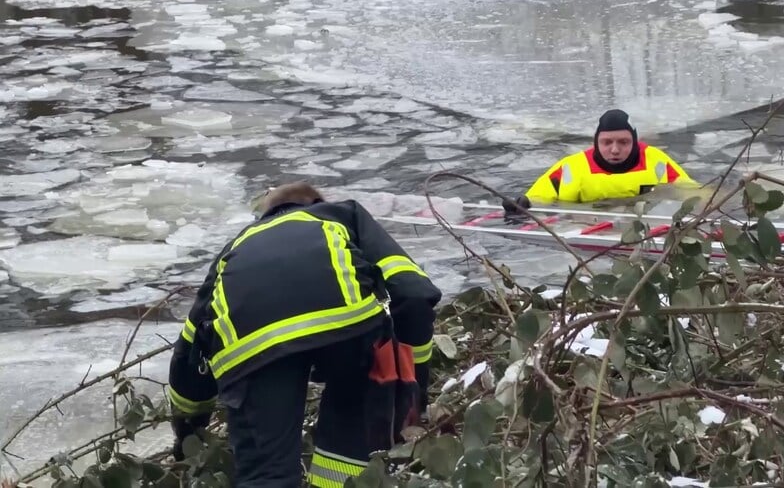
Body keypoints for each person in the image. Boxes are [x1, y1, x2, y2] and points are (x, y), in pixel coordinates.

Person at [165, 181, 442, 488]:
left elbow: (192, 349)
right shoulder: (341, 215)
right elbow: (414, 295)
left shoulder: (237, 247)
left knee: (267, 477)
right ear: (314, 202)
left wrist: (188, 429)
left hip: (252, 349)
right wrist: (415, 388)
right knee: (344, 462)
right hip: (347, 327)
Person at [505, 109, 694, 211]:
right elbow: (539, 195)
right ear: (596, 142)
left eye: (623, 142)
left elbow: (689, 189)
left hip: (643, 228)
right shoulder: (573, 167)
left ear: (635, 142)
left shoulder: (655, 160)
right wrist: (523, 203)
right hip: (586, 229)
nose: (614, 149)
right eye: (607, 142)